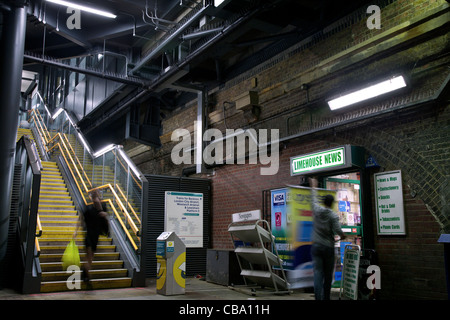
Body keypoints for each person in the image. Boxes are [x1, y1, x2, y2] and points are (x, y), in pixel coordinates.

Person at [309, 177, 346, 300]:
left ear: (323, 202)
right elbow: (338, 231)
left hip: (316, 246)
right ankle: (326, 297)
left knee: (318, 273)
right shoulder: (333, 216)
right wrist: (343, 235)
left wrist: (313, 186)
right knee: (328, 274)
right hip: (328, 247)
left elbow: (313, 199)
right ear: (332, 203)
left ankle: (318, 298)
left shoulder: (317, 209)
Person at [74, 189, 109, 287]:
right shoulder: (89, 208)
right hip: (90, 236)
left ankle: (84, 272)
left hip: (94, 236)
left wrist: (103, 213)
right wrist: (76, 231)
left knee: (90, 257)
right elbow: (81, 218)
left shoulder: (102, 208)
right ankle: (88, 279)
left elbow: (105, 220)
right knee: (89, 257)